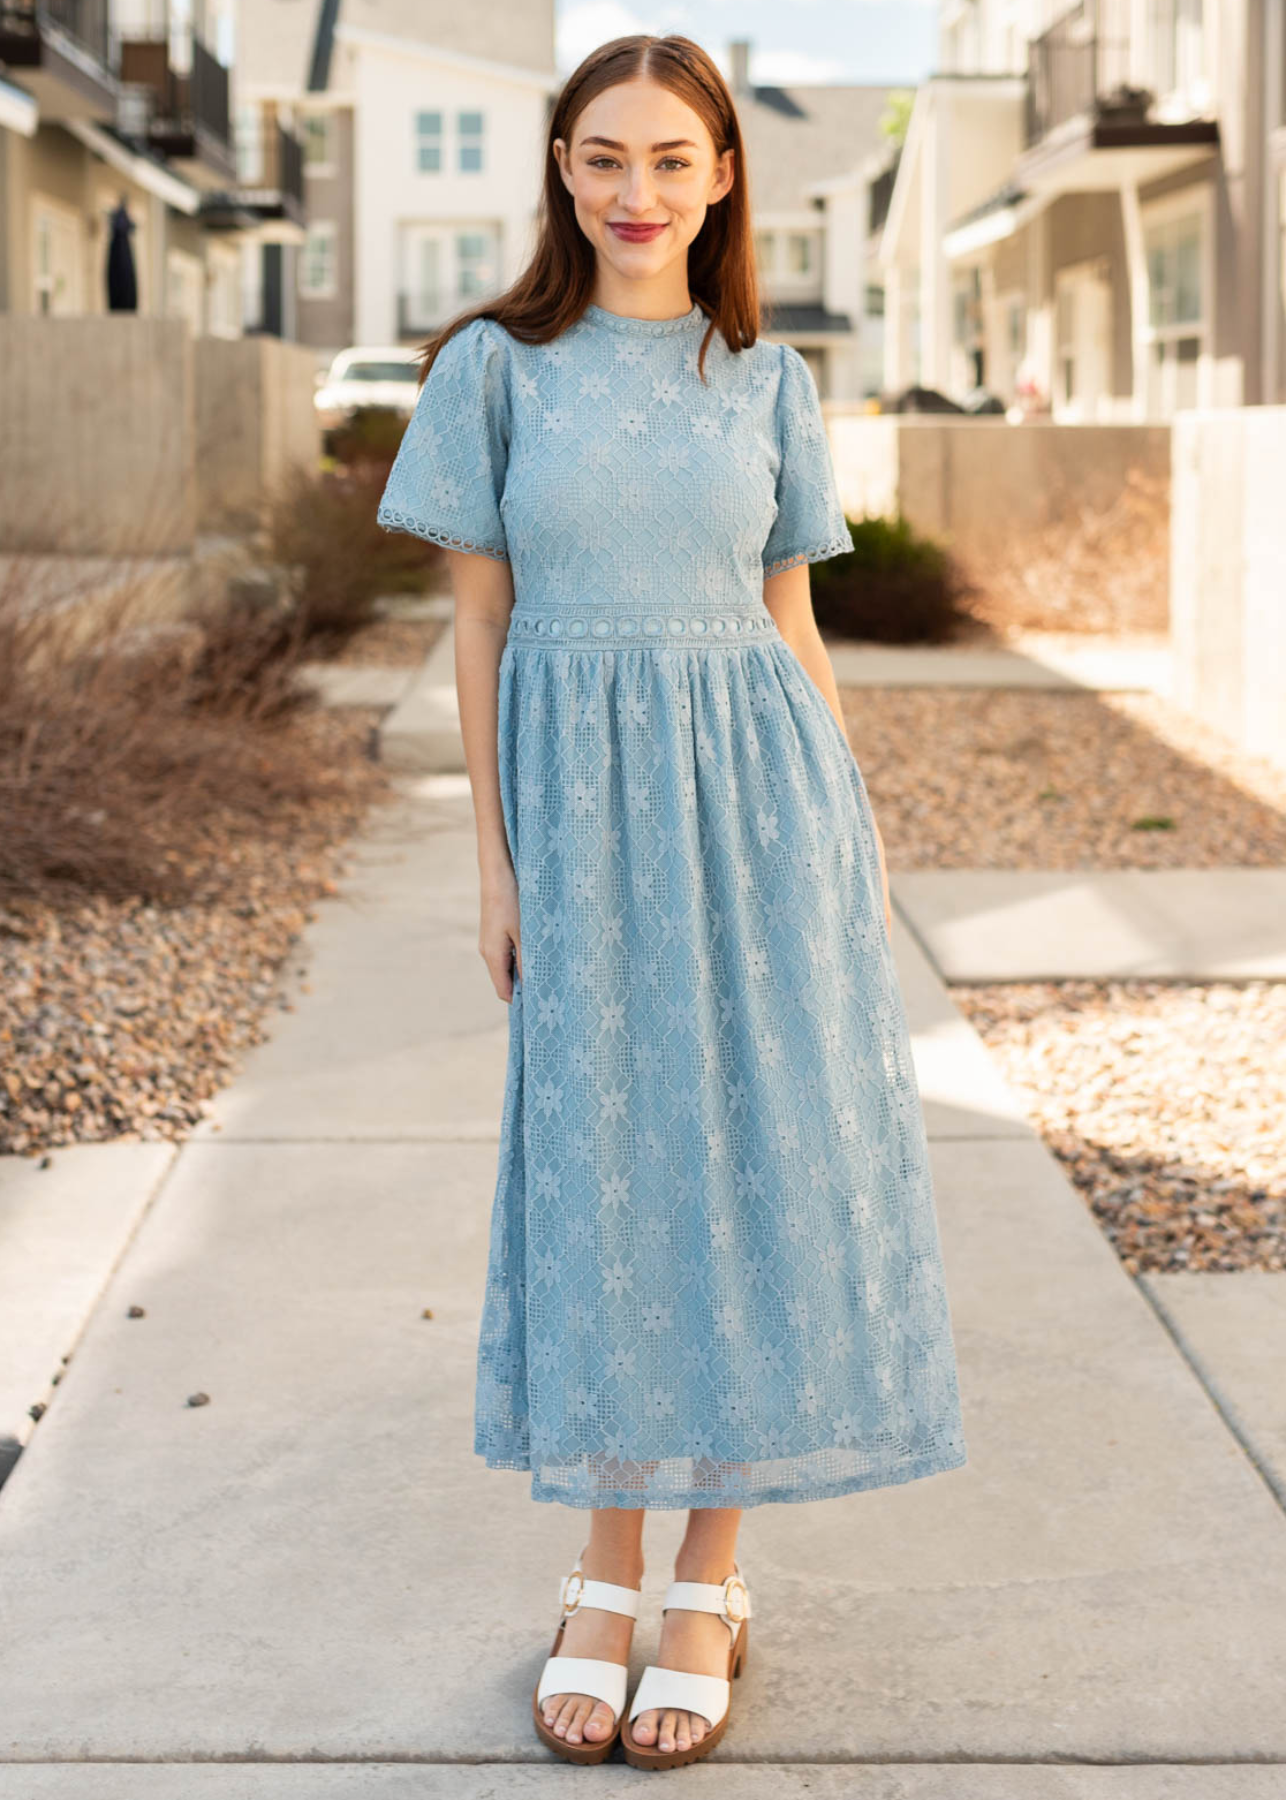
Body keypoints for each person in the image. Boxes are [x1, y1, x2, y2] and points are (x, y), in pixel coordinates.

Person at [377, 32, 967, 1774]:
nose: (636, 194)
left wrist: (847, 841)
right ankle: (600, 1571)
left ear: (722, 181)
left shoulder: (763, 379)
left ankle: (707, 1581)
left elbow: (790, 619)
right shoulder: (492, 370)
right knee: (608, 1180)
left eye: (671, 162)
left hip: (763, 804)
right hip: (576, 811)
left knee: (758, 1170)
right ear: (560, 169)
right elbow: (477, 625)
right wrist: (493, 859)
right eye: (603, 156)